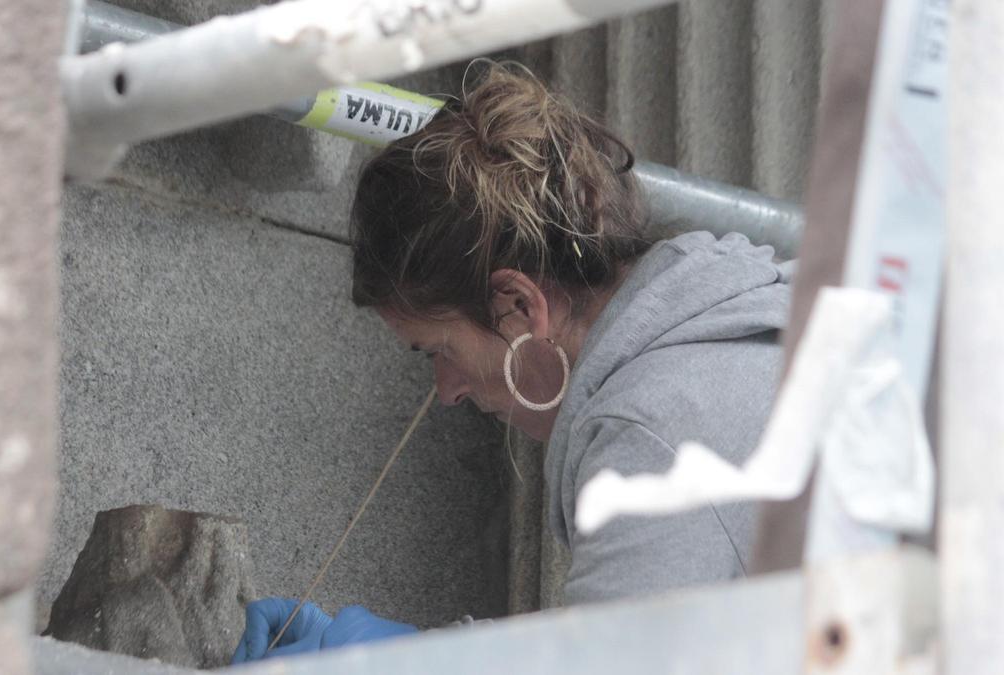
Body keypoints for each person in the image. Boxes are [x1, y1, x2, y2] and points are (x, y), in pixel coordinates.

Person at [232, 62, 791, 664]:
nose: (445, 391)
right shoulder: (729, 322)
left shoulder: (652, 440)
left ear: (520, 305)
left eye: (439, 351)